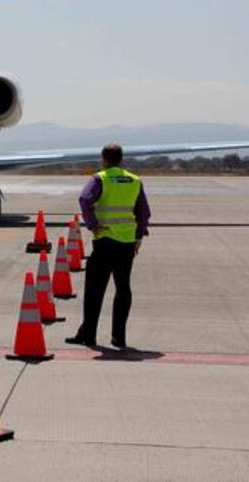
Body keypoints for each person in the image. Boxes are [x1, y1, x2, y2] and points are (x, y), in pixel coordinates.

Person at [66, 143, 150, 349]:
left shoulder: (99, 178)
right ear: (121, 158)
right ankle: (119, 337)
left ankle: (88, 335)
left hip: (105, 240)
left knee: (95, 289)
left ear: (104, 158)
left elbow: (84, 199)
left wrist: (93, 225)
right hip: (127, 243)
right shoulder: (135, 180)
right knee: (123, 288)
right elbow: (144, 212)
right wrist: (138, 235)